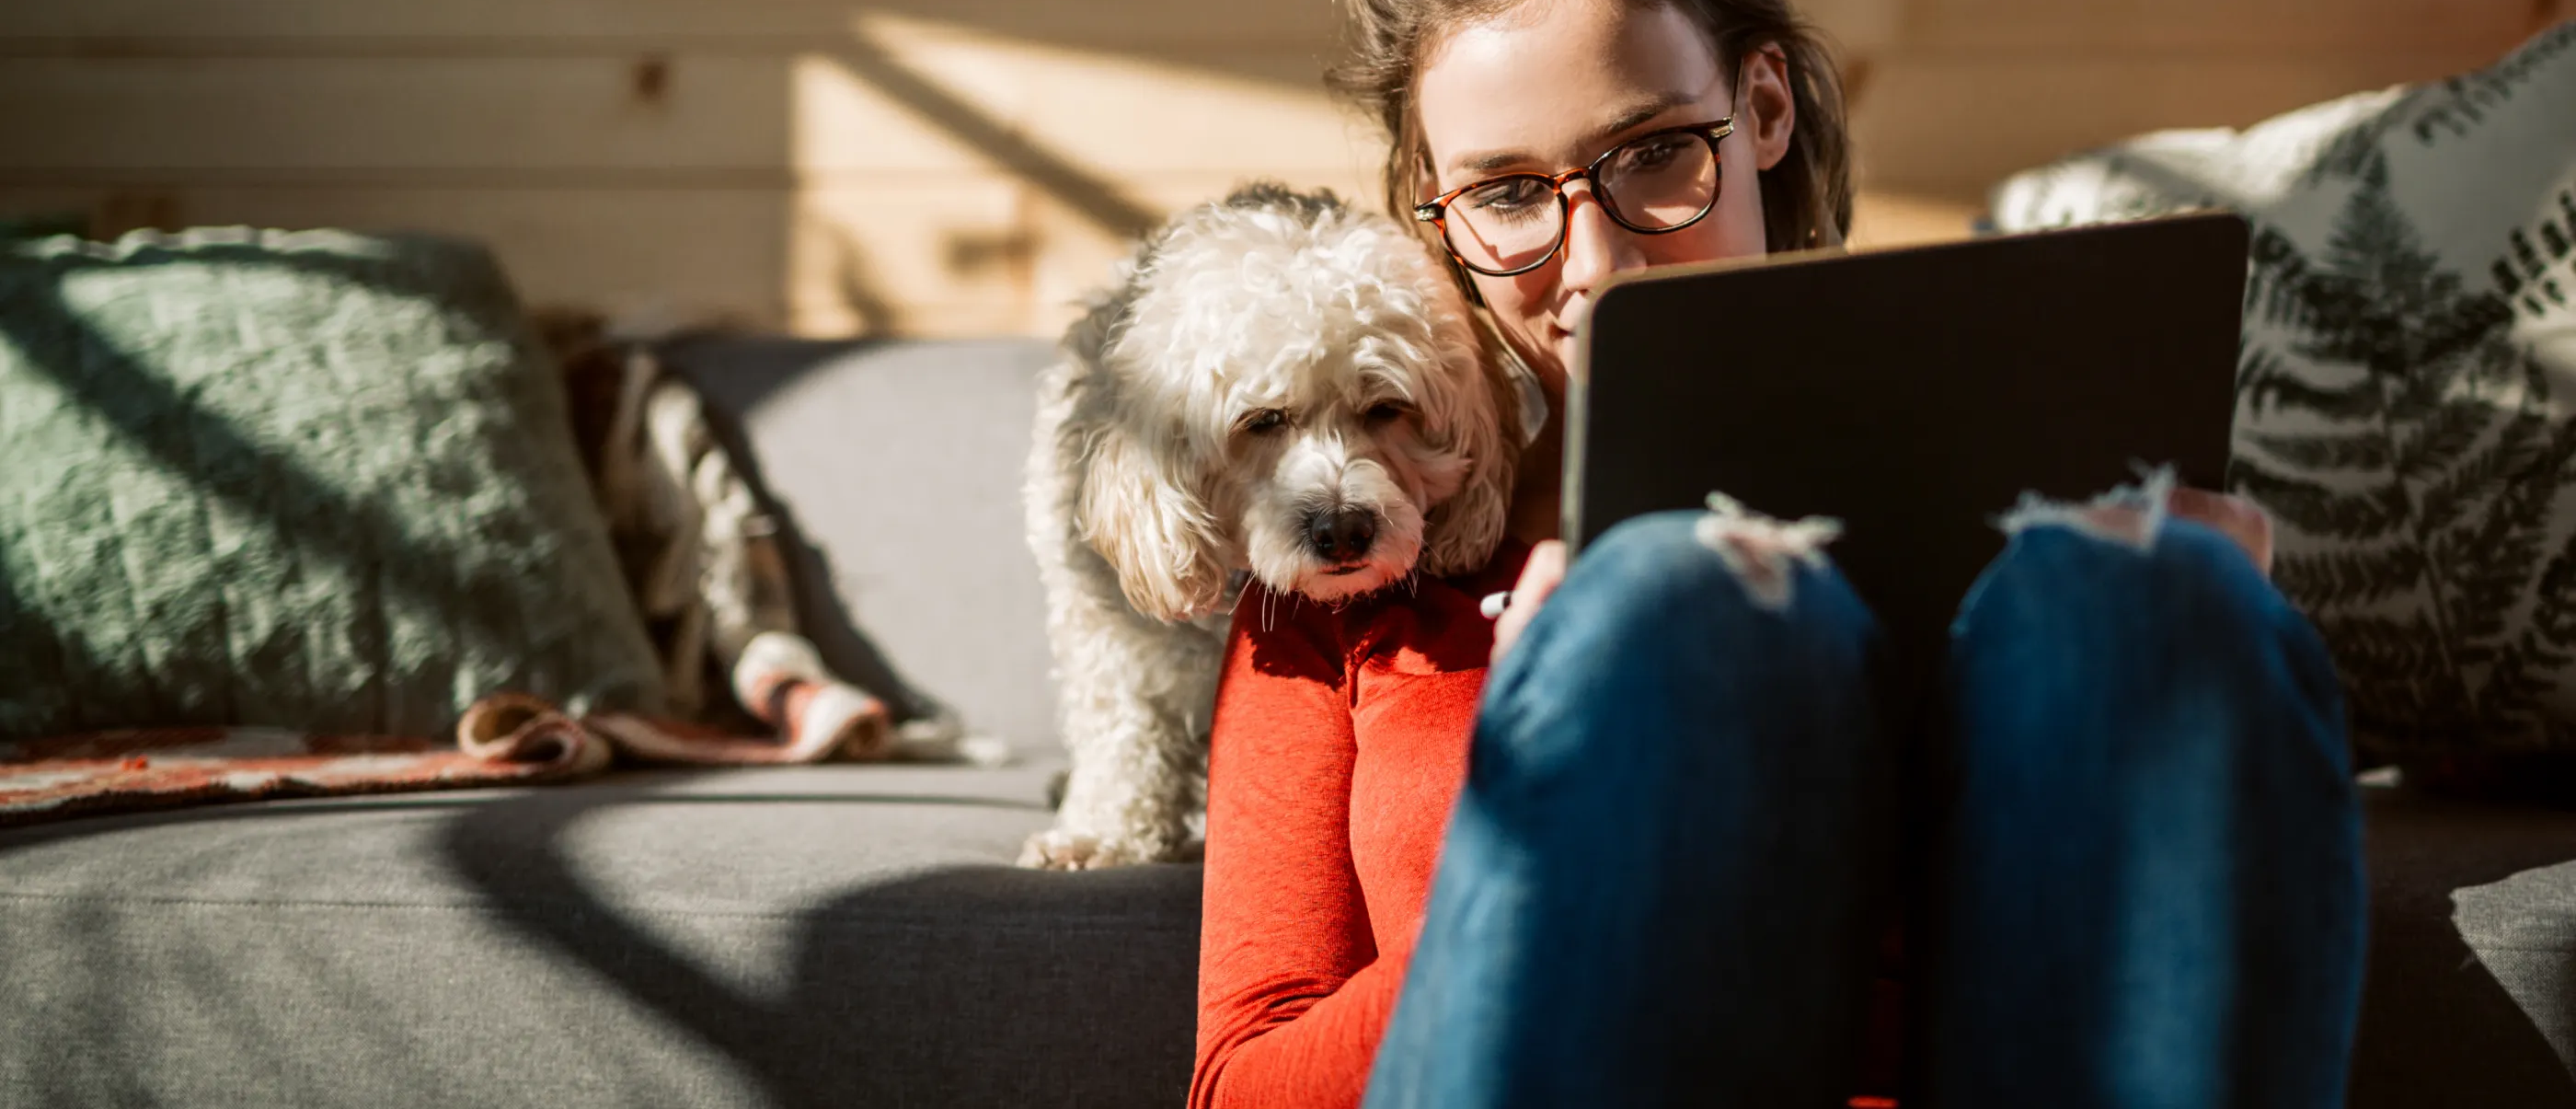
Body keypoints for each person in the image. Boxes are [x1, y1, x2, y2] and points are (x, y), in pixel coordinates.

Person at [1190, 1, 2367, 1106]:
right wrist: (1560, 805)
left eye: (1654, 154)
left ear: (1760, 110)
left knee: (2156, 594)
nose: (1597, 265)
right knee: (1679, 604)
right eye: (1506, 193)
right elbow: (1240, 1081)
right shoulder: (1343, 579)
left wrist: (2197, 648)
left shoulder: (2040, 558)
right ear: (1435, 212)